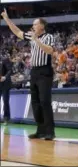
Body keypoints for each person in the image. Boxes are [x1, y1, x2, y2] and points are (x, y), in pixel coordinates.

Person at [1, 9, 55, 140]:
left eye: (35, 24)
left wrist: (37, 40)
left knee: (45, 101)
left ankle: (50, 132)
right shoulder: (31, 36)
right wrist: (7, 19)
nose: (33, 26)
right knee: (35, 102)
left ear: (41, 26)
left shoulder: (49, 37)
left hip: (45, 71)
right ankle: (40, 130)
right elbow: (17, 32)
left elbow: (49, 51)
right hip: (34, 71)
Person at [0, 53, 13, 125]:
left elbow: (10, 70)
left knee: (5, 100)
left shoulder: (5, 59)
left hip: (5, 83)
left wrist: (5, 77)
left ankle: (6, 118)